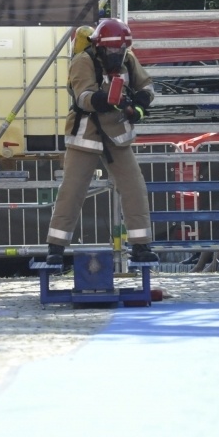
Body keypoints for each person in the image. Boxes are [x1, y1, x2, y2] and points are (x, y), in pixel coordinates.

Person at [46, 19, 158, 265]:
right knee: (72, 191)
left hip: (117, 135)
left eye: (119, 49)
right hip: (86, 134)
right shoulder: (83, 61)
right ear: (99, 46)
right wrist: (104, 99)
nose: (116, 54)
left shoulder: (128, 58)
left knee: (134, 188)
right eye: (111, 50)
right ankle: (55, 248)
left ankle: (141, 245)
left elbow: (147, 85)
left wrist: (138, 105)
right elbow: (83, 96)